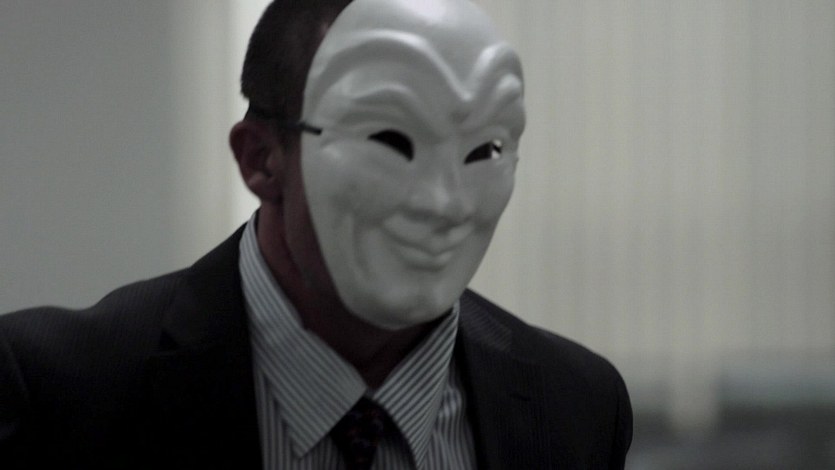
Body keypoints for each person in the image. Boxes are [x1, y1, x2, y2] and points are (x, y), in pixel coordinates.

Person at [0, 0, 632, 468]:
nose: (445, 204)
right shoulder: (61, 395)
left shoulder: (575, 408)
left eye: (485, 150)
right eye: (390, 141)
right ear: (261, 159)